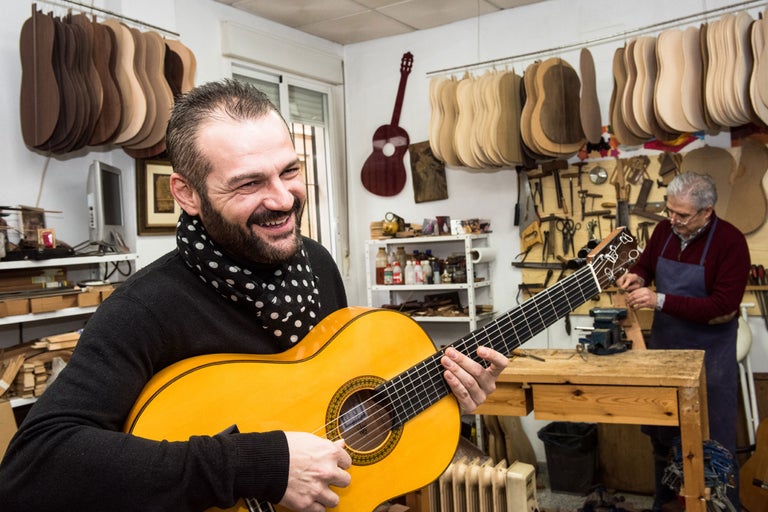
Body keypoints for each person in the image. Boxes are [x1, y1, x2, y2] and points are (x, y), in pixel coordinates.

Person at [0, 79, 509, 512]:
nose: (283, 199)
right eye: (249, 183)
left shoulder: (316, 265)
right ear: (187, 194)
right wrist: (255, 465)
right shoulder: (143, 309)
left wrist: (444, 390)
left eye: (289, 171)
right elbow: (34, 468)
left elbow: (330, 404)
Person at [616, 171, 750, 512]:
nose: (673, 220)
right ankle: (665, 505)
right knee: (663, 437)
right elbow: (646, 264)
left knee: (714, 443)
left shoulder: (731, 242)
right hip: (665, 349)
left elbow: (723, 306)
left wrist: (659, 300)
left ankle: (722, 507)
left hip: (710, 356)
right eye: (669, 210)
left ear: (707, 211)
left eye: (682, 215)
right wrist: (638, 275)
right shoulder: (664, 231)